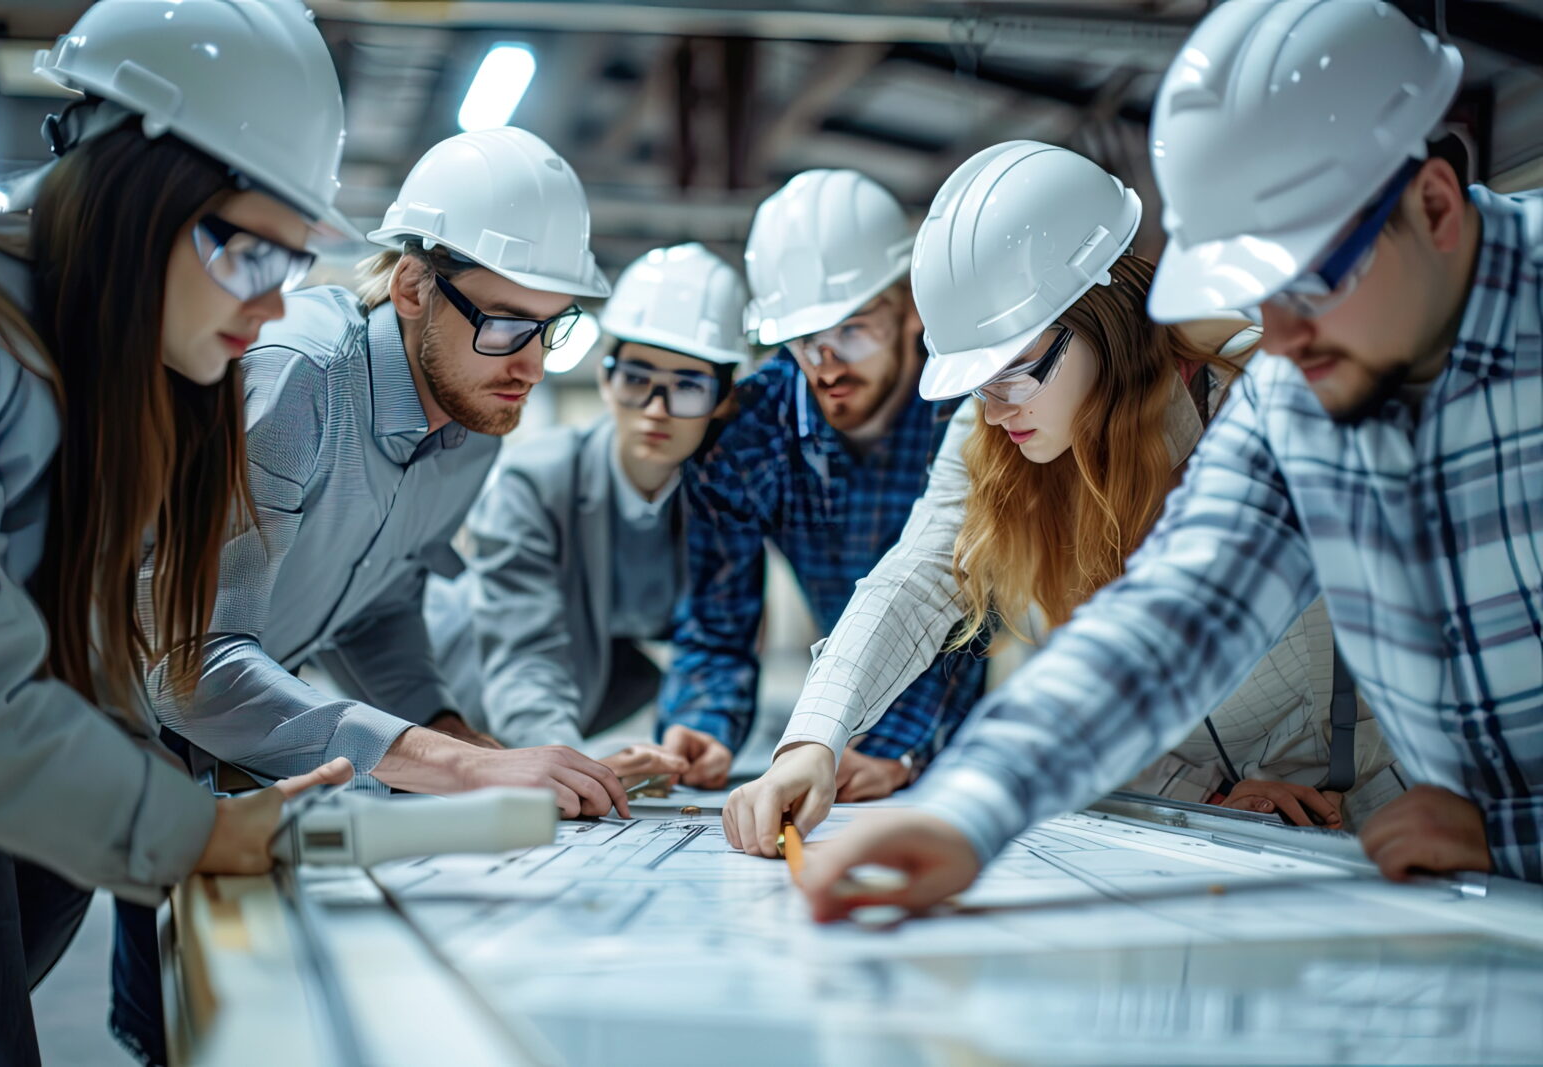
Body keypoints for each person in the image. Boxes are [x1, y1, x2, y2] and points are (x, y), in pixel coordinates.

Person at [804, 0, 1543, 921]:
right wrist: (968, 809)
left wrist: (1513, 827)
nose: (1276, 340)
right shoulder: (1300, 383)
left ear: (1432, 205)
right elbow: (1177, 618)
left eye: (1302, 286)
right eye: (1250, 302)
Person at [725, 141, 1404, 857]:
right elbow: (919, 576)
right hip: (1191, 816)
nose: (993, 410)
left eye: (1015, 371)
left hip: (1369, 809)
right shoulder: (1000, 435)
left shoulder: (1247, 398)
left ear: (1102, 321)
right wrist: (813, 739)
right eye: (977, 382)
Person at [0, 1, 358, 1062]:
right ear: (138, 197)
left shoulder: (88, 379)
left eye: (293, 265)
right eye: (250, 255)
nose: (272, 311)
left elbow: (79, 665)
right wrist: (197, 830)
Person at [144, 127, 629, 820]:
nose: (532, 366)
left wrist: (451, 730)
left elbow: (377, 607)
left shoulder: (477, 419)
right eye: (505, 323)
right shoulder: (295, 383)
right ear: (410, 288)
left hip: (222, 745)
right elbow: (189, 662)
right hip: (88, 730)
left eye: (553, 328)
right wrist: (455, 765)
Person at [656, 169, 987, 797]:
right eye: (804, 339)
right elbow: (717, 619)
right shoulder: (747, 435)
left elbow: (971, 603)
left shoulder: (969, 408)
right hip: (830, 697)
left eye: (852, 330)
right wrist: (703, 722)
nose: (825, 363)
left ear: (912, 309)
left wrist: (898, 747)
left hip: (948, 711)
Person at [425, 244, 751, 778]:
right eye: (637, 378)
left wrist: (704, 725)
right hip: (455, 683)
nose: (656, 410)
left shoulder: (726, 499)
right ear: (605, 378)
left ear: (723, 397)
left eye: (687, 387)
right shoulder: (535, 481)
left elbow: (722, 634)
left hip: (584, 689)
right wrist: (566, 761)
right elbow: (524, 652)